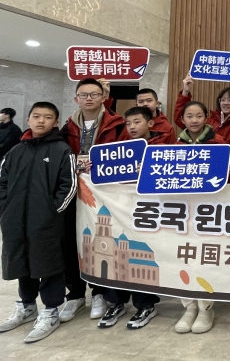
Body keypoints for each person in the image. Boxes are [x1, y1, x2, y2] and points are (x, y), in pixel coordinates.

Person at [0, 102, 77, 343]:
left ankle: (51, 311)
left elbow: (69, 185)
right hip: (15, 219)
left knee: (49, 264)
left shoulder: (62, 150)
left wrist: (53, 212)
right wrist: (5, 209)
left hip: (47, 221)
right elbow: (2, 182)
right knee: (22, 261)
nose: (41, 121)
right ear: (29, 119)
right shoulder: (16, 151)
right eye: (36, 116)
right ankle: (27, 306)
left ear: (56, 122)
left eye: (47, 117)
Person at [59, 78, 125, 323]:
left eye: (94, 94)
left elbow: (124, 156)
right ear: (76, 98)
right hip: (72, 192)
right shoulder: (67, 127)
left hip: (102, 194)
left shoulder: (117, 125)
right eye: (84, 94)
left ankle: (98, 292)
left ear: (103, 97)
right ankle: (75, 294)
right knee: (71, 242)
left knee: (99, 244)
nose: (89, 98)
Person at [97, 107, 167, 330]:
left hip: (148, 212)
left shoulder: (163, 147)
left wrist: (150, 169)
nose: (132, 127)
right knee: (115, 255)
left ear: (150, 124)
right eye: (128, 123)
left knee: (138, 259)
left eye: (137, 122)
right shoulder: (119, 150)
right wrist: (90, 168)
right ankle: (116, 302)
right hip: (120, 211)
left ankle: (146, 305)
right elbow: (103, 174)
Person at [174, 101, 228, 335]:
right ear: (182, 119)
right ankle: (189, 307)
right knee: (183, 258)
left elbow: (228, 178)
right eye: (189, 116)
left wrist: (229, 171)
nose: (194, 120)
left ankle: (206, 308)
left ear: (207, 117)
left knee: (205, 258)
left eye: (198, 115)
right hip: (182, 211)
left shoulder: (219, 143)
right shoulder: (175, 145)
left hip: (209, 211)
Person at [174, 75, 230, 149]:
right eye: (223, 100)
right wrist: (185, 91)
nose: (225, 103)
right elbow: (181, 118)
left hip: (228, 157)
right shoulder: (210, 119)